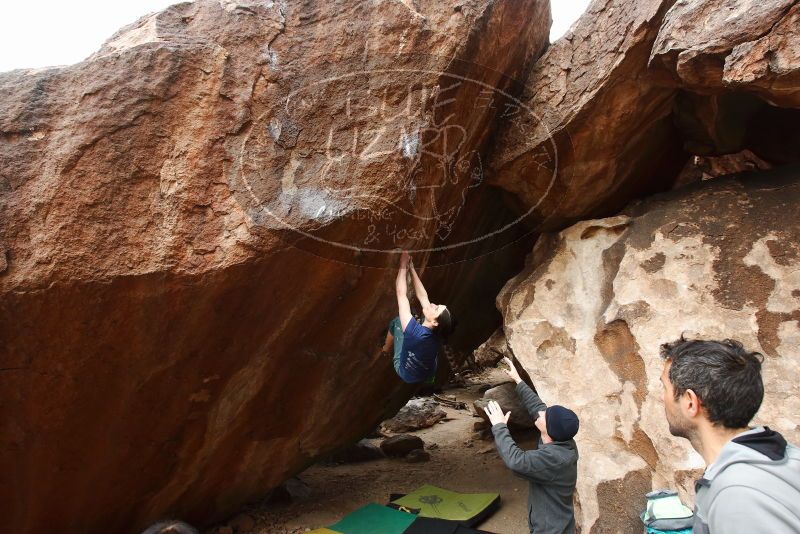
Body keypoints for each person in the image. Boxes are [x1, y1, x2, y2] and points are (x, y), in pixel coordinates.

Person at [659, 337, 800, 533]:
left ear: (690, 402)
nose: (662, 398)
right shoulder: (783, 457)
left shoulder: (738, 495)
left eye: (665, 388)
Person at [484, 357, 579, 534]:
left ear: (549, 431)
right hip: (556, 523)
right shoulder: (561, 438)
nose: (541, 413)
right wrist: (518, 380)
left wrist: (499, 427)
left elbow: (516, 461)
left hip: (551, 530)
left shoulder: (554, 459)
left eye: (545, 416)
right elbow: (538, 406)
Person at [381, 251, 455, 384]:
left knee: (397, 321)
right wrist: (412, 269)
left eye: (436, 308)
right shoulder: (437, 332)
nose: (432, 304)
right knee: (427, 352)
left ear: (434, 322)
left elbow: (401, 294)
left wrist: (403, 265)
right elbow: (423, 297)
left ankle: (385, 349)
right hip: (426, 370)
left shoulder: (414, 332)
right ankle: (430, 378)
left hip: (405, 372)